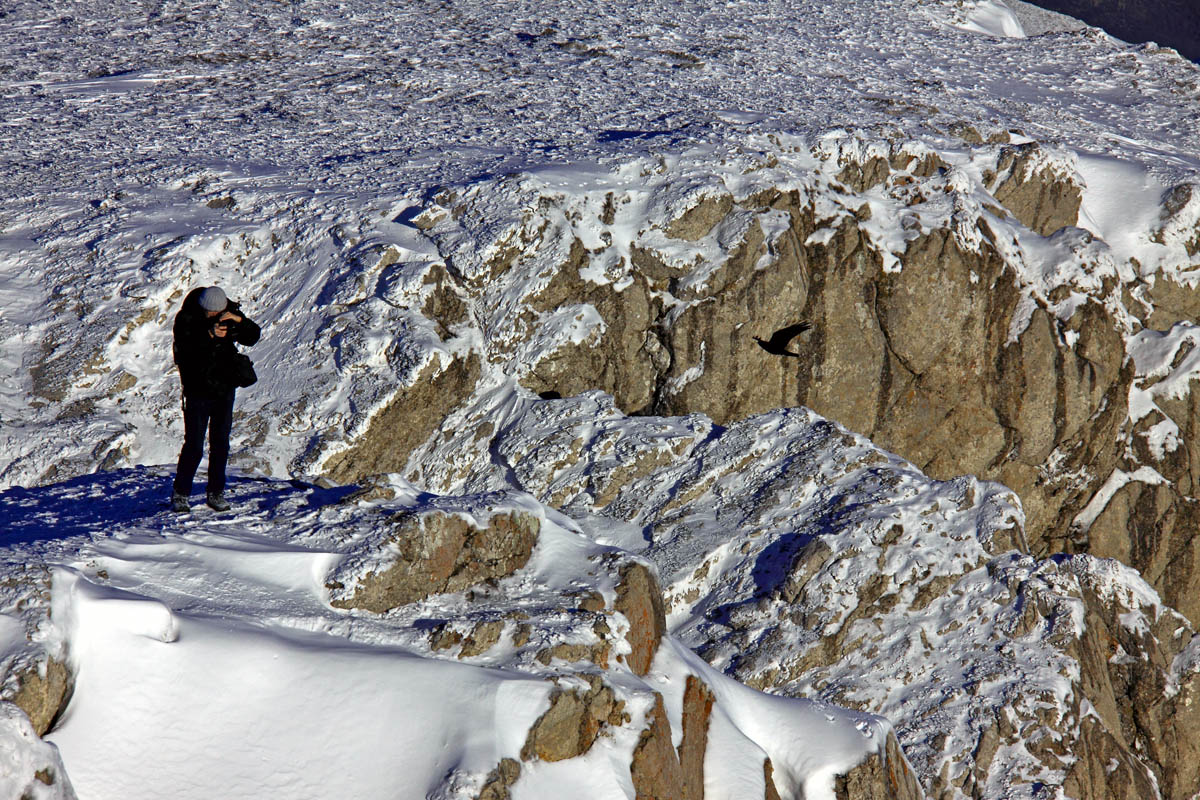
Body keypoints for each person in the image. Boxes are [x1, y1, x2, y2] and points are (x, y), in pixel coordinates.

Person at [170, 286, 261, 512]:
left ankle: (216, 493)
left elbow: (252, 337)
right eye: (210, 312)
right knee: (194, 446)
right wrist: (209, 335)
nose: (214, 316)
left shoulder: (227, 316)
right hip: (197, 391)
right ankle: (181, 494)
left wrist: (239, 321)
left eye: (217, 312)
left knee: (220, 444)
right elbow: (185, 348)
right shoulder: (187, 318)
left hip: (223, 389)